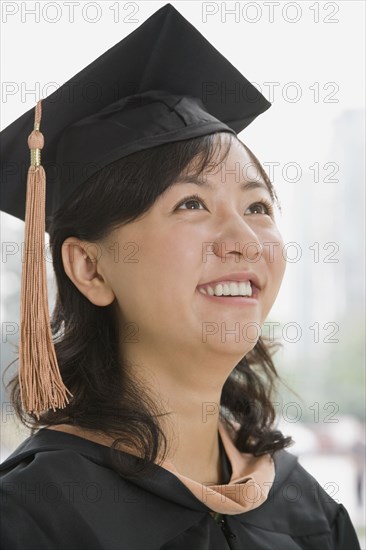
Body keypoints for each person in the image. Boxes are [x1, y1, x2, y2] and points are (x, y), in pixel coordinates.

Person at [0, 4, 361, 549]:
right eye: (192, 203)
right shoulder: (32, 515)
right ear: (90, 268)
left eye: (258, 207)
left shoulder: (305, 507)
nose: (243, 239)